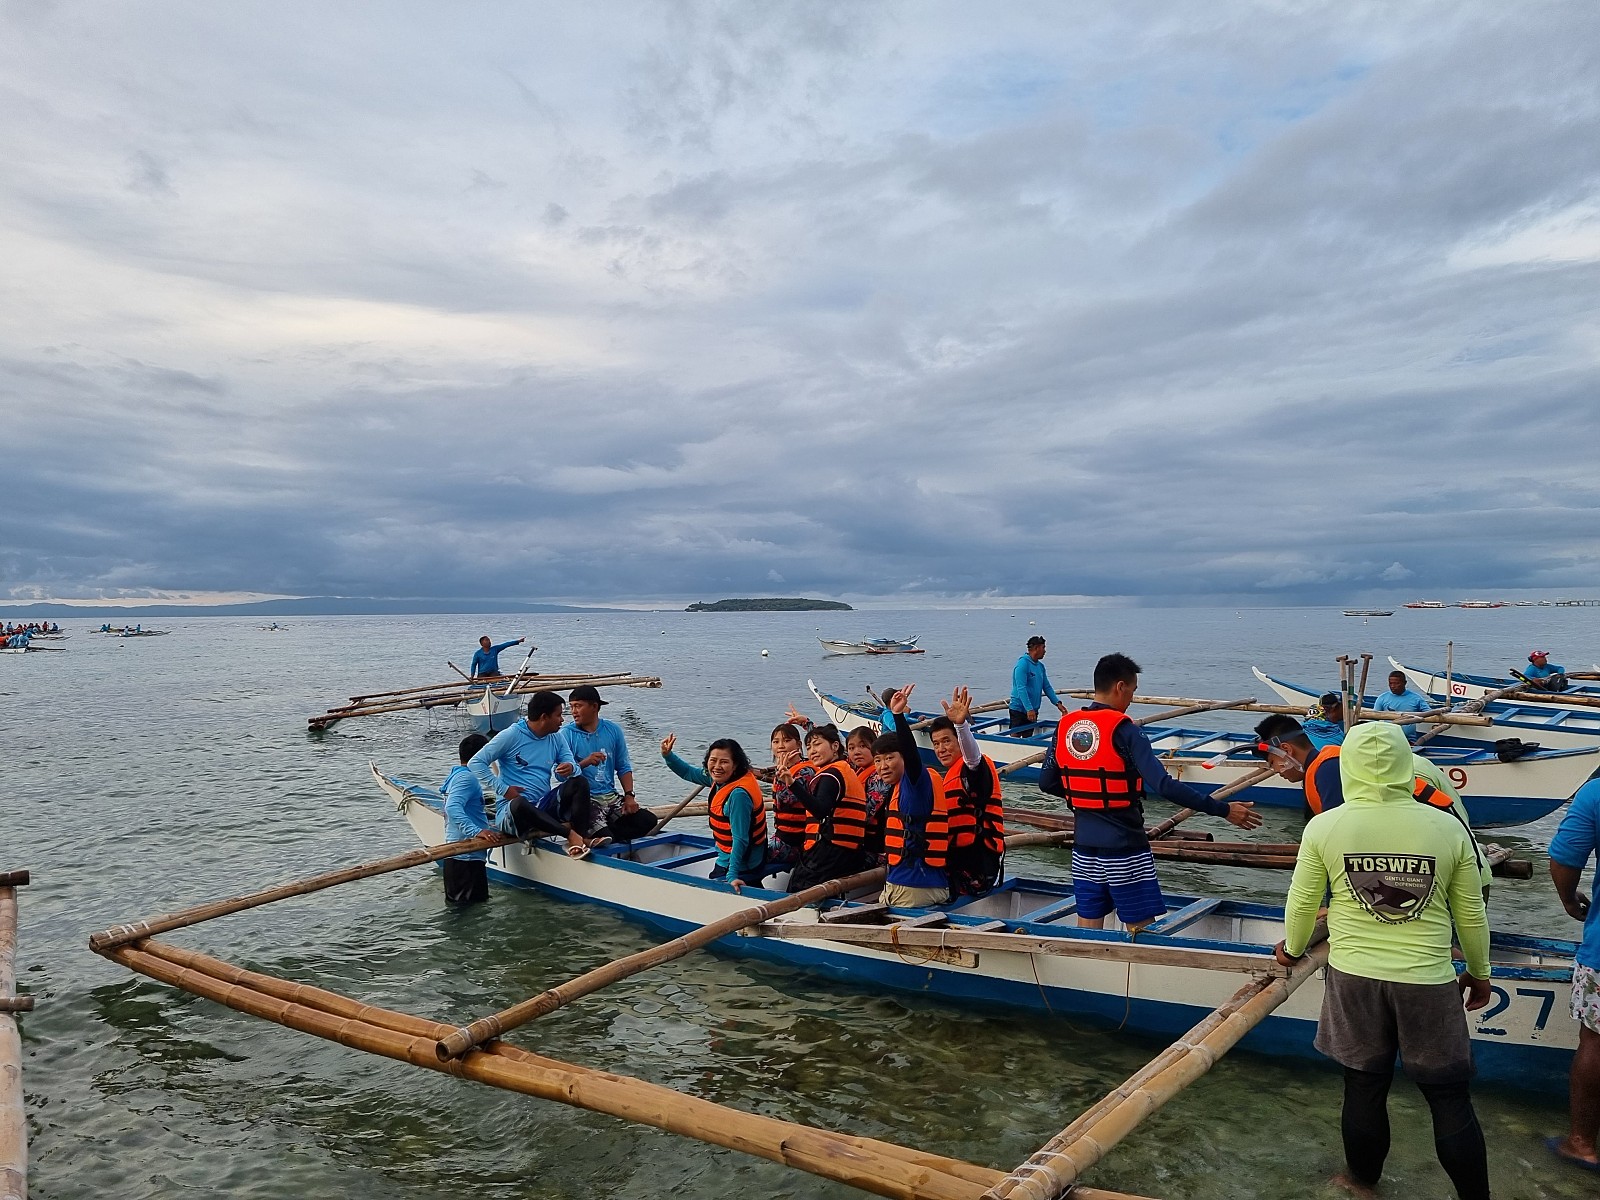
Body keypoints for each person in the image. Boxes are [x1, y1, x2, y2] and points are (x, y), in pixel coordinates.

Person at [1275, 721, 1492, 1200]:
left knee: (1364, 1087)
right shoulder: (1445, 826)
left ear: (1347, 766)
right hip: (1429, 979)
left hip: (1354, 977)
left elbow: (1303, 903)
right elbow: (1470, 914)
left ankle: (1363, 1184)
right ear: (1403, 763)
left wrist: (1292, 950)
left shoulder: (1325, 826)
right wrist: (1480, 973)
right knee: (1449, 1097)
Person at [1041, 653, 1260, 931]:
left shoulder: (1064, 727)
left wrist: (1084, 795)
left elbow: (1047, 783)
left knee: (1087, 926)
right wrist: (1223, 809)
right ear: (1120, 686)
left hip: (1084, 848)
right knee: (1140, 928)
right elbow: (1164, 785)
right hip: (1125, 847)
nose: (1131, 699)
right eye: (1132, 691)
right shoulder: (1126, 731)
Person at [1253, 714, 1490, 895]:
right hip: (1447, 865)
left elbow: (1339, 843)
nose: (1275, 770)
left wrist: (1333, 901)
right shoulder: (1326, 766)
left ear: (1286, 750)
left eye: (1272, 762)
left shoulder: (1329, 769)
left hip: (1448, 872)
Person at [1546, 776, 1600, 1171]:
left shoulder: (1596, 792)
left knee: (1595, 1041)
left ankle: (1581, 1142)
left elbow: (1565, 860)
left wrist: (1568, 899)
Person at [469, 690, 594, 857]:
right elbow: (475, 763)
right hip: (513, 812)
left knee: (579, 782)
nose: (562, 720)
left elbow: (574, 768)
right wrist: (503, 789)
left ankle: (580, 838)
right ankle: (570, 835)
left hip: (542, 806)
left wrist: (571, 768)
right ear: (544, 717)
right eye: (558, 715)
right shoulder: (511, 735)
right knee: (520, 803)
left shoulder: (556, 738)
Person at [874, 684, 953, 908]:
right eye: (878, 761)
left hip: (911, 890)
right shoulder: (902, 786)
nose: (883, 766)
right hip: (931, 886)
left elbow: (911, 752)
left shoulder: (915, 781)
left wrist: (898, 716)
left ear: (904, 759)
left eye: (890, 758)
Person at [661, 733, 768, 892]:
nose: (717, 766)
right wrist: (668, 755)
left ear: (735, 765)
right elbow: (688, 773)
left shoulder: (738, 795)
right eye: (713, 760)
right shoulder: (720, 779)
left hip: (743, 863)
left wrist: (732, 875)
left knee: (712, 887)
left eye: (724, 762)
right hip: (742, 856)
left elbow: (741, 840)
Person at [928, 686, 1006, 898]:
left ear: (959, 741)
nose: (941, 749)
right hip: (955, 861)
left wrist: (961, 726)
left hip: (977, 866)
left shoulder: (974, 769)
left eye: (946, 741)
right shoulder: (949, 777)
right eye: (936, 744)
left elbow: (973, 758)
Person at [779, 724, 873, 892]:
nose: (812, 751)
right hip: (851, 853)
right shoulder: (846, 769)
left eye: (817, 744)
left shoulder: (831, 775)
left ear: (835, 746)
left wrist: (792, 783)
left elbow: (821, 810)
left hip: (830, 855)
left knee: (795, 890)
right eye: (808, 747)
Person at [563, 684, 657, 844]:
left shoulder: (613, 730)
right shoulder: (566, 734)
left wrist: (629, 796)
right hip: (586, 802)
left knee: (648, 821)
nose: (573, 711)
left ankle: (608, 835)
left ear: (594, 707)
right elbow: (560, 776)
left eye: (578, 706)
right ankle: (595, 836)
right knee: (609, 836)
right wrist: (585, 762)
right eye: (571, 706)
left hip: (610, 798)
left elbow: (623, 767)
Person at [441, 733, 494, 904]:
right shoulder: (468, 778)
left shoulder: (458, 775)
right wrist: (477, 831)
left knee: (461, 910)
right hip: (466, 859)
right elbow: (452, 807)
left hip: (458, 857)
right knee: (470, 911)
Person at [766, 723, 815, 869]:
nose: (781, 746)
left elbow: (785, 799)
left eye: (787, 741)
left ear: (799, 744)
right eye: (776, 742)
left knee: (749, 857)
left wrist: (782, 775)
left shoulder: (806, 771)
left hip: (794, 842)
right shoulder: (786, 769)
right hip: (783, 837)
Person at [846, 726, 892, 864]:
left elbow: (867, 813)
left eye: (863, 746)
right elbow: (832, 752)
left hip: (876, 847)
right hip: (862, 842)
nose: (857, 752)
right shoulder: (858, 770)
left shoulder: (880, 776)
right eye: (851, 748)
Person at [1009, 636, 1067, 736]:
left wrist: (1058, 703)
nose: (1045, 651)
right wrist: (1029, 709)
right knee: (1016, 737)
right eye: (1043, 648)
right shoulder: (1022, 664)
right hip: (1019, 709)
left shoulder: (1040, 666)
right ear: (1036, 648)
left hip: (1033, 710)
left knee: (1028, 738)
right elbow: (1021, 688)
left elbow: (1046, 686)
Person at [1372, 670, 1435, 741]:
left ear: (1404, 683)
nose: (1393, 686)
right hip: (1388, 737)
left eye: (1396, 683)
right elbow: (1374, 718)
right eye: (1391, 683)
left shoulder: (1416, 698)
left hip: (1409, 739)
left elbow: (1430, 714)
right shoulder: (1382, 698)